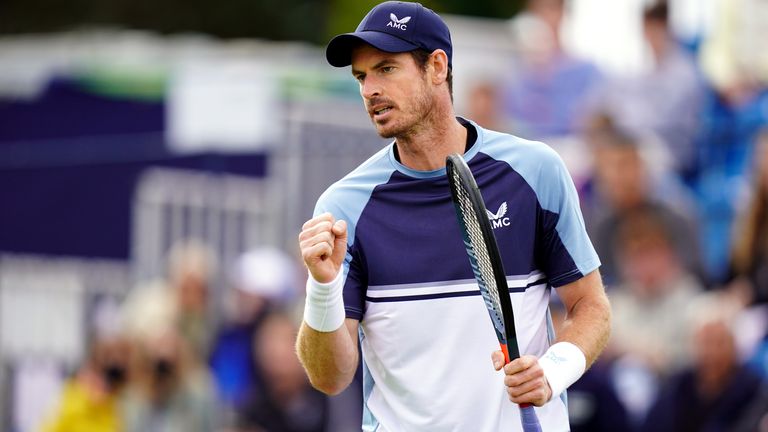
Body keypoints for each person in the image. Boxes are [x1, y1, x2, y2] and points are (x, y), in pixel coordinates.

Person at [295, 2, 611, 431]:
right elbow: (329, 378)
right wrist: (322, 289)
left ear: (437, 67)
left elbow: (591, 306)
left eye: (386, 69)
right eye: (361, 76)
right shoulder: (344, 206)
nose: (369, 89)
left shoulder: (536, 171)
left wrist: (554, 370)